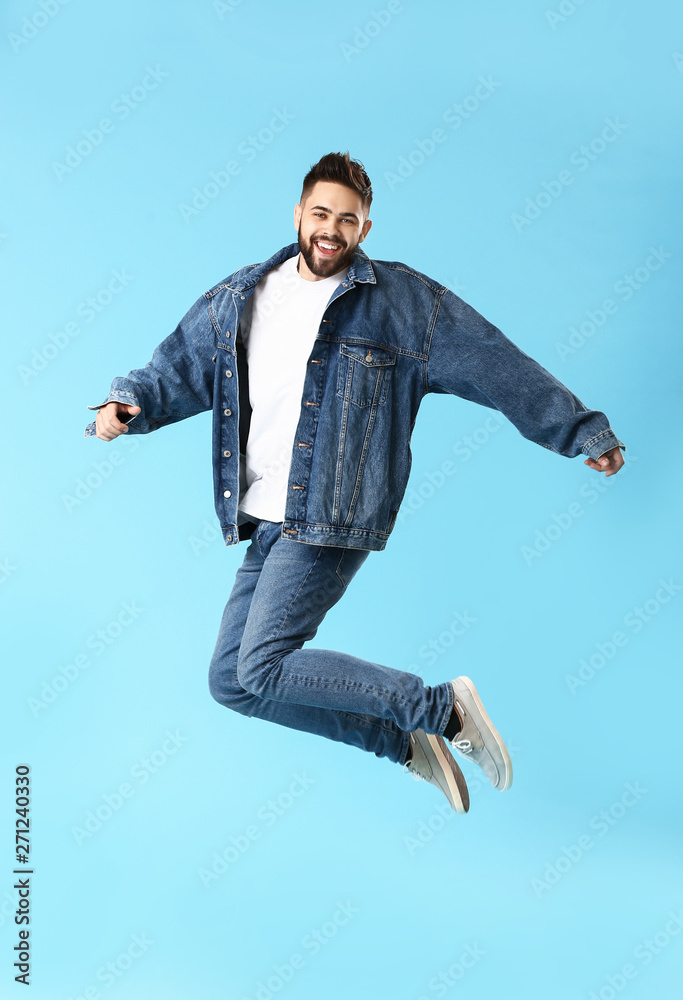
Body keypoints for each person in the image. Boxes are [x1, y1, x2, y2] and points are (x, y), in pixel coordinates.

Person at [84, 151, 625, 815]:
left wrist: (578, 431)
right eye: (320, 213)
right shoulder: (241, 298)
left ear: (364, 228)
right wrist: (130, 402)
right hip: (263, 518)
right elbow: (179, 369)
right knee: (234, 683)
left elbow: (493, 363)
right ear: (298, 215)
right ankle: (399, 744)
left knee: (263, 666)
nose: (331, 229)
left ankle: (440, 710)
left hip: (332, 513)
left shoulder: (402, 305)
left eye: (347, 219)